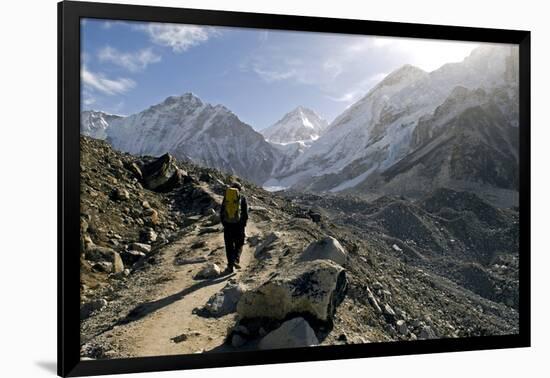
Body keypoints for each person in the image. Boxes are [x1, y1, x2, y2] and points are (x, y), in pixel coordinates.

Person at [220, 181, 248, 274]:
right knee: (239, 243)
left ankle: (230, 266)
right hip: (239, 226)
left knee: (229, 246)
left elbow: (222, 212)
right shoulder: (242, 198)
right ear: (239, 190)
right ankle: (236, 260)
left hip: (228, 226)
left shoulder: (227, 198)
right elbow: (245, 214)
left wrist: (225, 224)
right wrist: (243, 225)